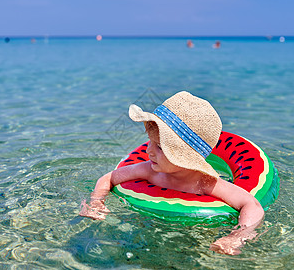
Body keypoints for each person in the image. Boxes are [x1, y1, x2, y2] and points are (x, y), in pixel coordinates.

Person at [79, 91, 265, 255]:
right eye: (149, 142)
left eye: (159, 147)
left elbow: (252, 205)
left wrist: (236, 237)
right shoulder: (149, 171)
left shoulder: (205, 183)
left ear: (184, 157)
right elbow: (109, 178)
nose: (148, 151)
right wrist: (96, 201)